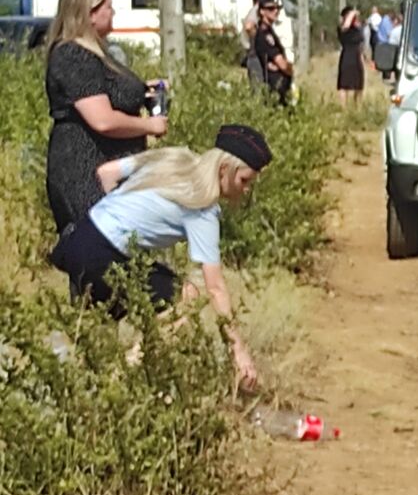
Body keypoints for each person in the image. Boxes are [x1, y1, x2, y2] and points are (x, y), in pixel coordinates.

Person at [49, 124, 272, 390]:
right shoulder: (202, 209)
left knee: (100, 335)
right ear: (224, 170)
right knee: (188, 297)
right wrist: (239, 352)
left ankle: (89, 387)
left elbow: (106, 173)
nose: (246, 190)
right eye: (244, 180)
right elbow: (215, 288)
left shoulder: (176, 158)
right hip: (101, 255)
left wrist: (116, 217)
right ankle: (119, 382)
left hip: (81, 237)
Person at [45, 0, 168, 236]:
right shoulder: (73, 55)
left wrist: (142, 90)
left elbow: (104, 92)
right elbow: (102, 119)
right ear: (89, 13)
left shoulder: (96, 53)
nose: (113, 12)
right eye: (108, 6)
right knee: (97, 252)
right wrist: (149, 125)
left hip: (109, 168)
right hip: (87, 168)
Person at [253, 0, 294, 104]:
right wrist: (290, 68)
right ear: (262, 11)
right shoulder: (264, 35)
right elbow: (282, 65)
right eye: (271, 8)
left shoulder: (270, 31)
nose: (276, 11)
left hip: (280, 85)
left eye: (277, 8)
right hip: (275, 87)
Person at [240, 0, 273, 88]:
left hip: (257, 56)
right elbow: (249, 27)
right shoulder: (257, 9)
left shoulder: (257, 10)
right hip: (256, 56)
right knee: (259, 91)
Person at [336, 7, 366, 105]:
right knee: (344, 85)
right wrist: (352, 13)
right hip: (347, 56)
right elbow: (345, 26)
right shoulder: (343, 28)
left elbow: (361, 44)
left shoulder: (357, 29)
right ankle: (343, 108)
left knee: (359, 85)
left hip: (357, 56)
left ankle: (358, 107)